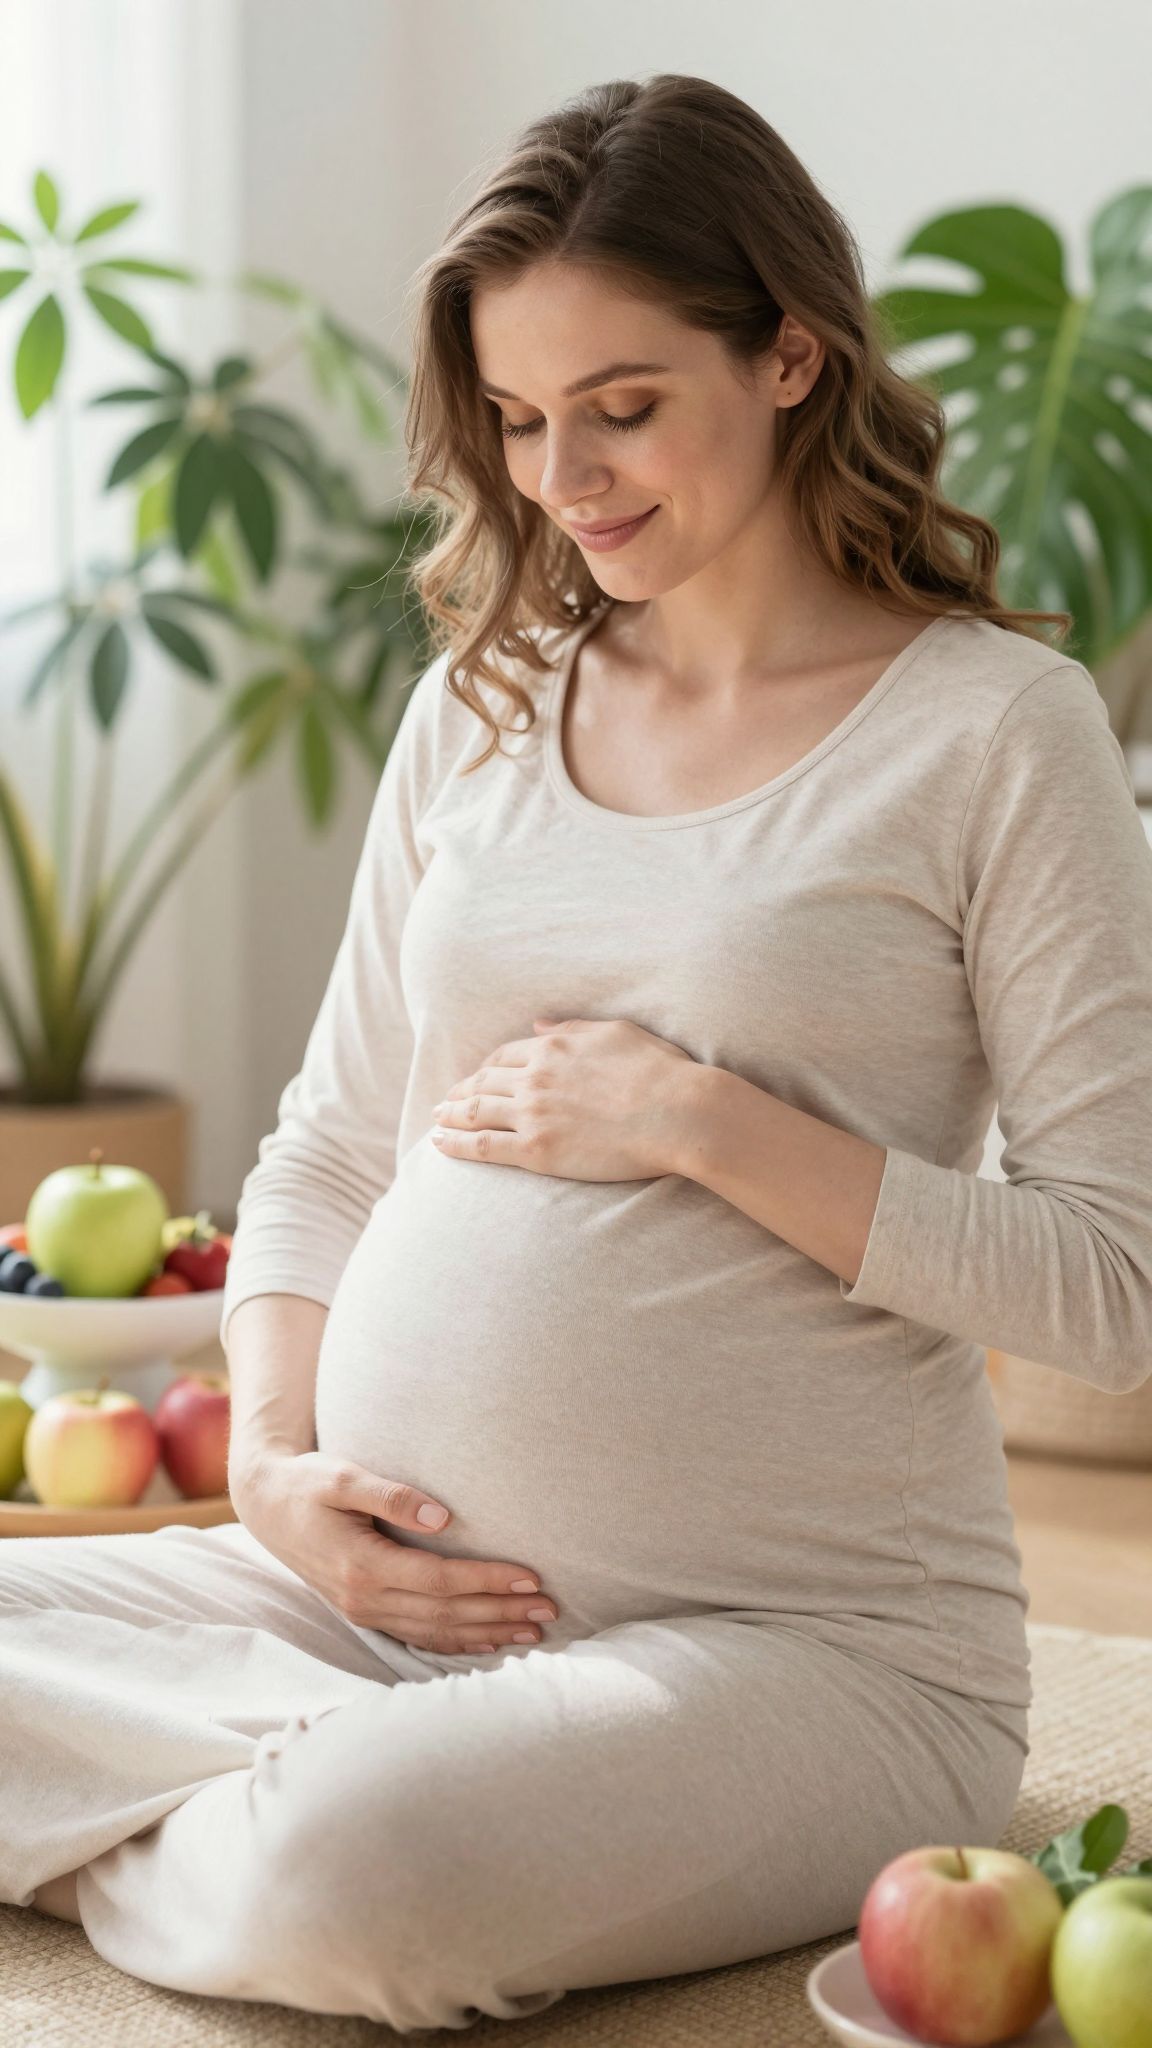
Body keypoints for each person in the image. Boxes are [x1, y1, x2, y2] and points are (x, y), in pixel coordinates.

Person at [5, 70, 1152, 2033]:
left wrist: (703, 1120)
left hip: (808, 1653)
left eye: (622, 407)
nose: (568, 475)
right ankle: (277, 1778)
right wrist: (276, 1470)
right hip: (350, 1609)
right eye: (522, 422)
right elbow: (327, 1149)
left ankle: (243, 1812)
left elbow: (1117, 1283)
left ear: (791, 352)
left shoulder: (992, 734)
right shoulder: (485, 700)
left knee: (343, 1877)